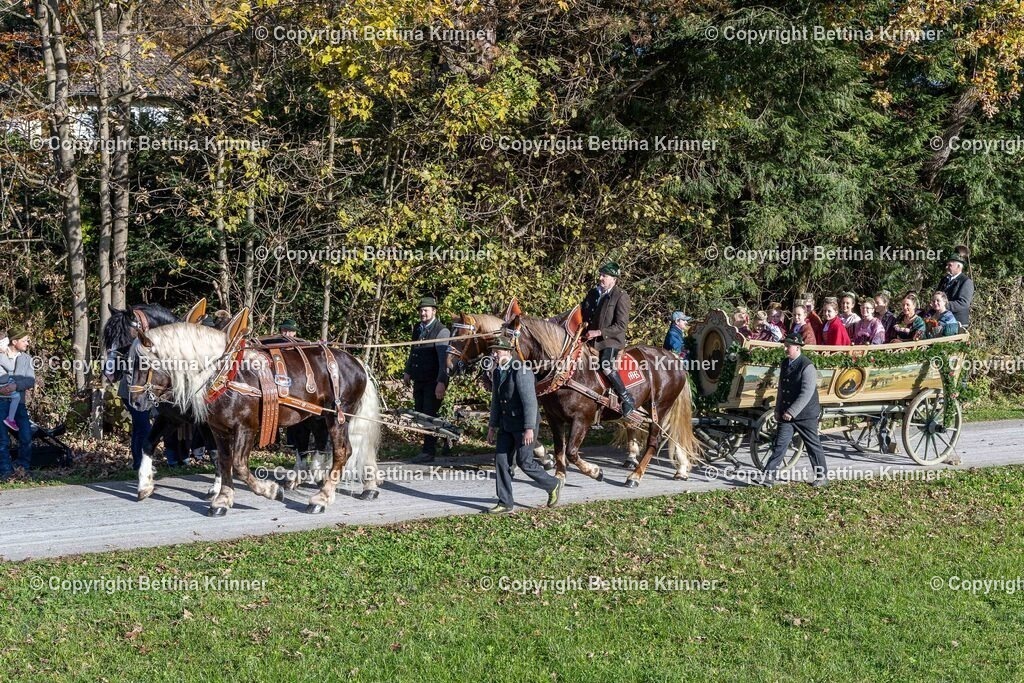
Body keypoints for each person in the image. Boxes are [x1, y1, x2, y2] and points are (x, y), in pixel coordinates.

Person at [484, 338, 562, 513]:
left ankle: (553, 484)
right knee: (501, 461)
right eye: (493, 351)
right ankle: (505, 502)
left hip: (524, 424)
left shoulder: (521, 370)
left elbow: (530, 403)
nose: (494, 354)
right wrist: (492, 426)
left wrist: (529, 429)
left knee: (524, 461)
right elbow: (496, 401)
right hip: (506, 424)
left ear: (507, 352)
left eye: (497, 351)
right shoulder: (497, 372)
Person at [762, 332, 828, 488]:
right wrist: (778, 409)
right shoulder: (785, 363)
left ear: (798, 347)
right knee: (780, 444)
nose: (786, 349)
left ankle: (822, 477)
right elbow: (781, 389)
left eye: (788, 346)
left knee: (813, 445)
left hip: (805, 415)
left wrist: (791, 412)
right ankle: (768, 477)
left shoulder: (807, 366)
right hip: (786, 414)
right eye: (785, 346)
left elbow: (806, 393)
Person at [581, 262, 635, 417]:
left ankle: (626, 398)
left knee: (605, 365)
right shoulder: (594, 293)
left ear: (614, 279)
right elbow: (580, 311)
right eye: (600, 275)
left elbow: (621, 326)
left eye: (604, 276)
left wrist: (598, 332)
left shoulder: (621, 296)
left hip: (610, 341)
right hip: (590, 338)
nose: (600, 278)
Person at [404, 296, 451, 463]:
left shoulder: (441, 331)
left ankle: (428, 451)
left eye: (426, 310)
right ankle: (444, 439)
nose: (423, 313)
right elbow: (413, 350)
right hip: (419, 379)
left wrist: (441, 382)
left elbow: (444, 362)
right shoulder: (418, 328)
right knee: (420, 414)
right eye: (421, 310)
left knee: (429, 415)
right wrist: (408, 371)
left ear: (434, 311)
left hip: (433, 381)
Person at [276, 319, 329, 457]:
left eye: (290, 330)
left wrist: (320, 346)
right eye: (284, 330)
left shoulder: (302, 347)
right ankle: (300, 459)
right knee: (297, 431)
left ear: (295, 332)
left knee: (318, 427)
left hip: (306, 393)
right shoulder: (274, 346)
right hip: (287, 394)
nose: (287, 333)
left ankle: (320, 457)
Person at [0, 327, 35, 480]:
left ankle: (23, 468)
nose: (28, 343)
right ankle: (5, 471)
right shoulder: (1, 356)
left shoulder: (27, 358)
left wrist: (16, 386)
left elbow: (30, 380)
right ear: (14, 342)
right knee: (2, 439)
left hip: (18, 403)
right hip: (1, 402)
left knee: (26, 436)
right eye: (24, 340)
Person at [937, 246, 974, 329]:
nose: (947, 267)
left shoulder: (966, 282)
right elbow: (937, 295)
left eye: (950, 265)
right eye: (947, 265)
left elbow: (963, 303)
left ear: (958, 266)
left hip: (957, 323)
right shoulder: (944, 280)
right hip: (942, 321)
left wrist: (943, 305)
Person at [0, 335, 21, 431]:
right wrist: (11, 356)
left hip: (4, 381)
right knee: (16, 396)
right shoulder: (1, 355)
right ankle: (10, 419)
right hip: (2, 385)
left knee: (13, 380)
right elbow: (11, 367)